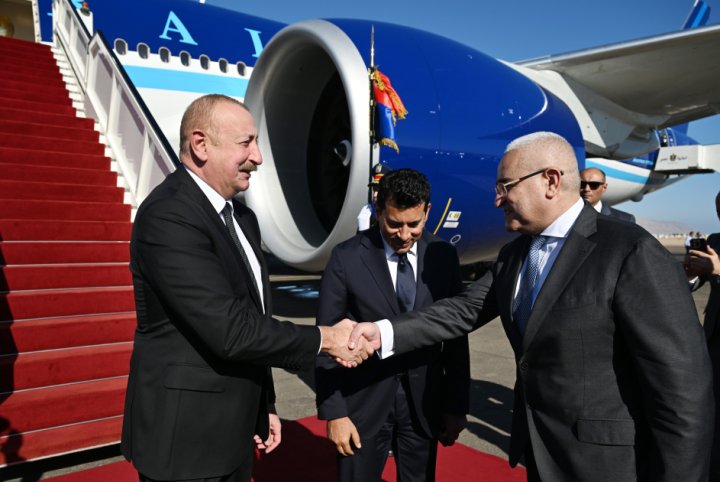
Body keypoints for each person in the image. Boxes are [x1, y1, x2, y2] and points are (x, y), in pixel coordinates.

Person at [348, 131, 714, 481]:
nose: (497, 200)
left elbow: (682, 391)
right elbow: (461, 311)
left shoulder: (630, 251)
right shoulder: (514, 255)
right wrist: (381, 332)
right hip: (540, 456)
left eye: (505, 187)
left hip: (608, 465)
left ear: (551, 181)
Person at [121, 94, 370, 482]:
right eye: (246, 143)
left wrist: (264, 403)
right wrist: (328, 339)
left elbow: (254, 316)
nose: (258, 157)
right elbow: (232, 330)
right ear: (201, 145)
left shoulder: (242, 218)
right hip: (185, 441)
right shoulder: (169, 216)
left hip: (235, 433)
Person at [316, 168, 469, 481]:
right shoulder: (346, 257)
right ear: (378, 209)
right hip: (361, 403)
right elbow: (326, 340)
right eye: (394, 223)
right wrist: (335, 413)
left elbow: (456, 338)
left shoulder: (443, 256)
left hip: (424, 404)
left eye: (414, 224)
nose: (404, 234)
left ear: (428, 211)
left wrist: (455, 406)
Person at [685, 190, 720, 481]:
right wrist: (691, 274)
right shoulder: (715, 241)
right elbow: (696, 284)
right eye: (719, 211)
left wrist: (719, 271)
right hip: (714, 339)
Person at [357, 163, 391, 231]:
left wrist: (364, 232)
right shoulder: (371, 221)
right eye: (375, 189)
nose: (375, 195)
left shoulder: (398, 221)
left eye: (379, 189)